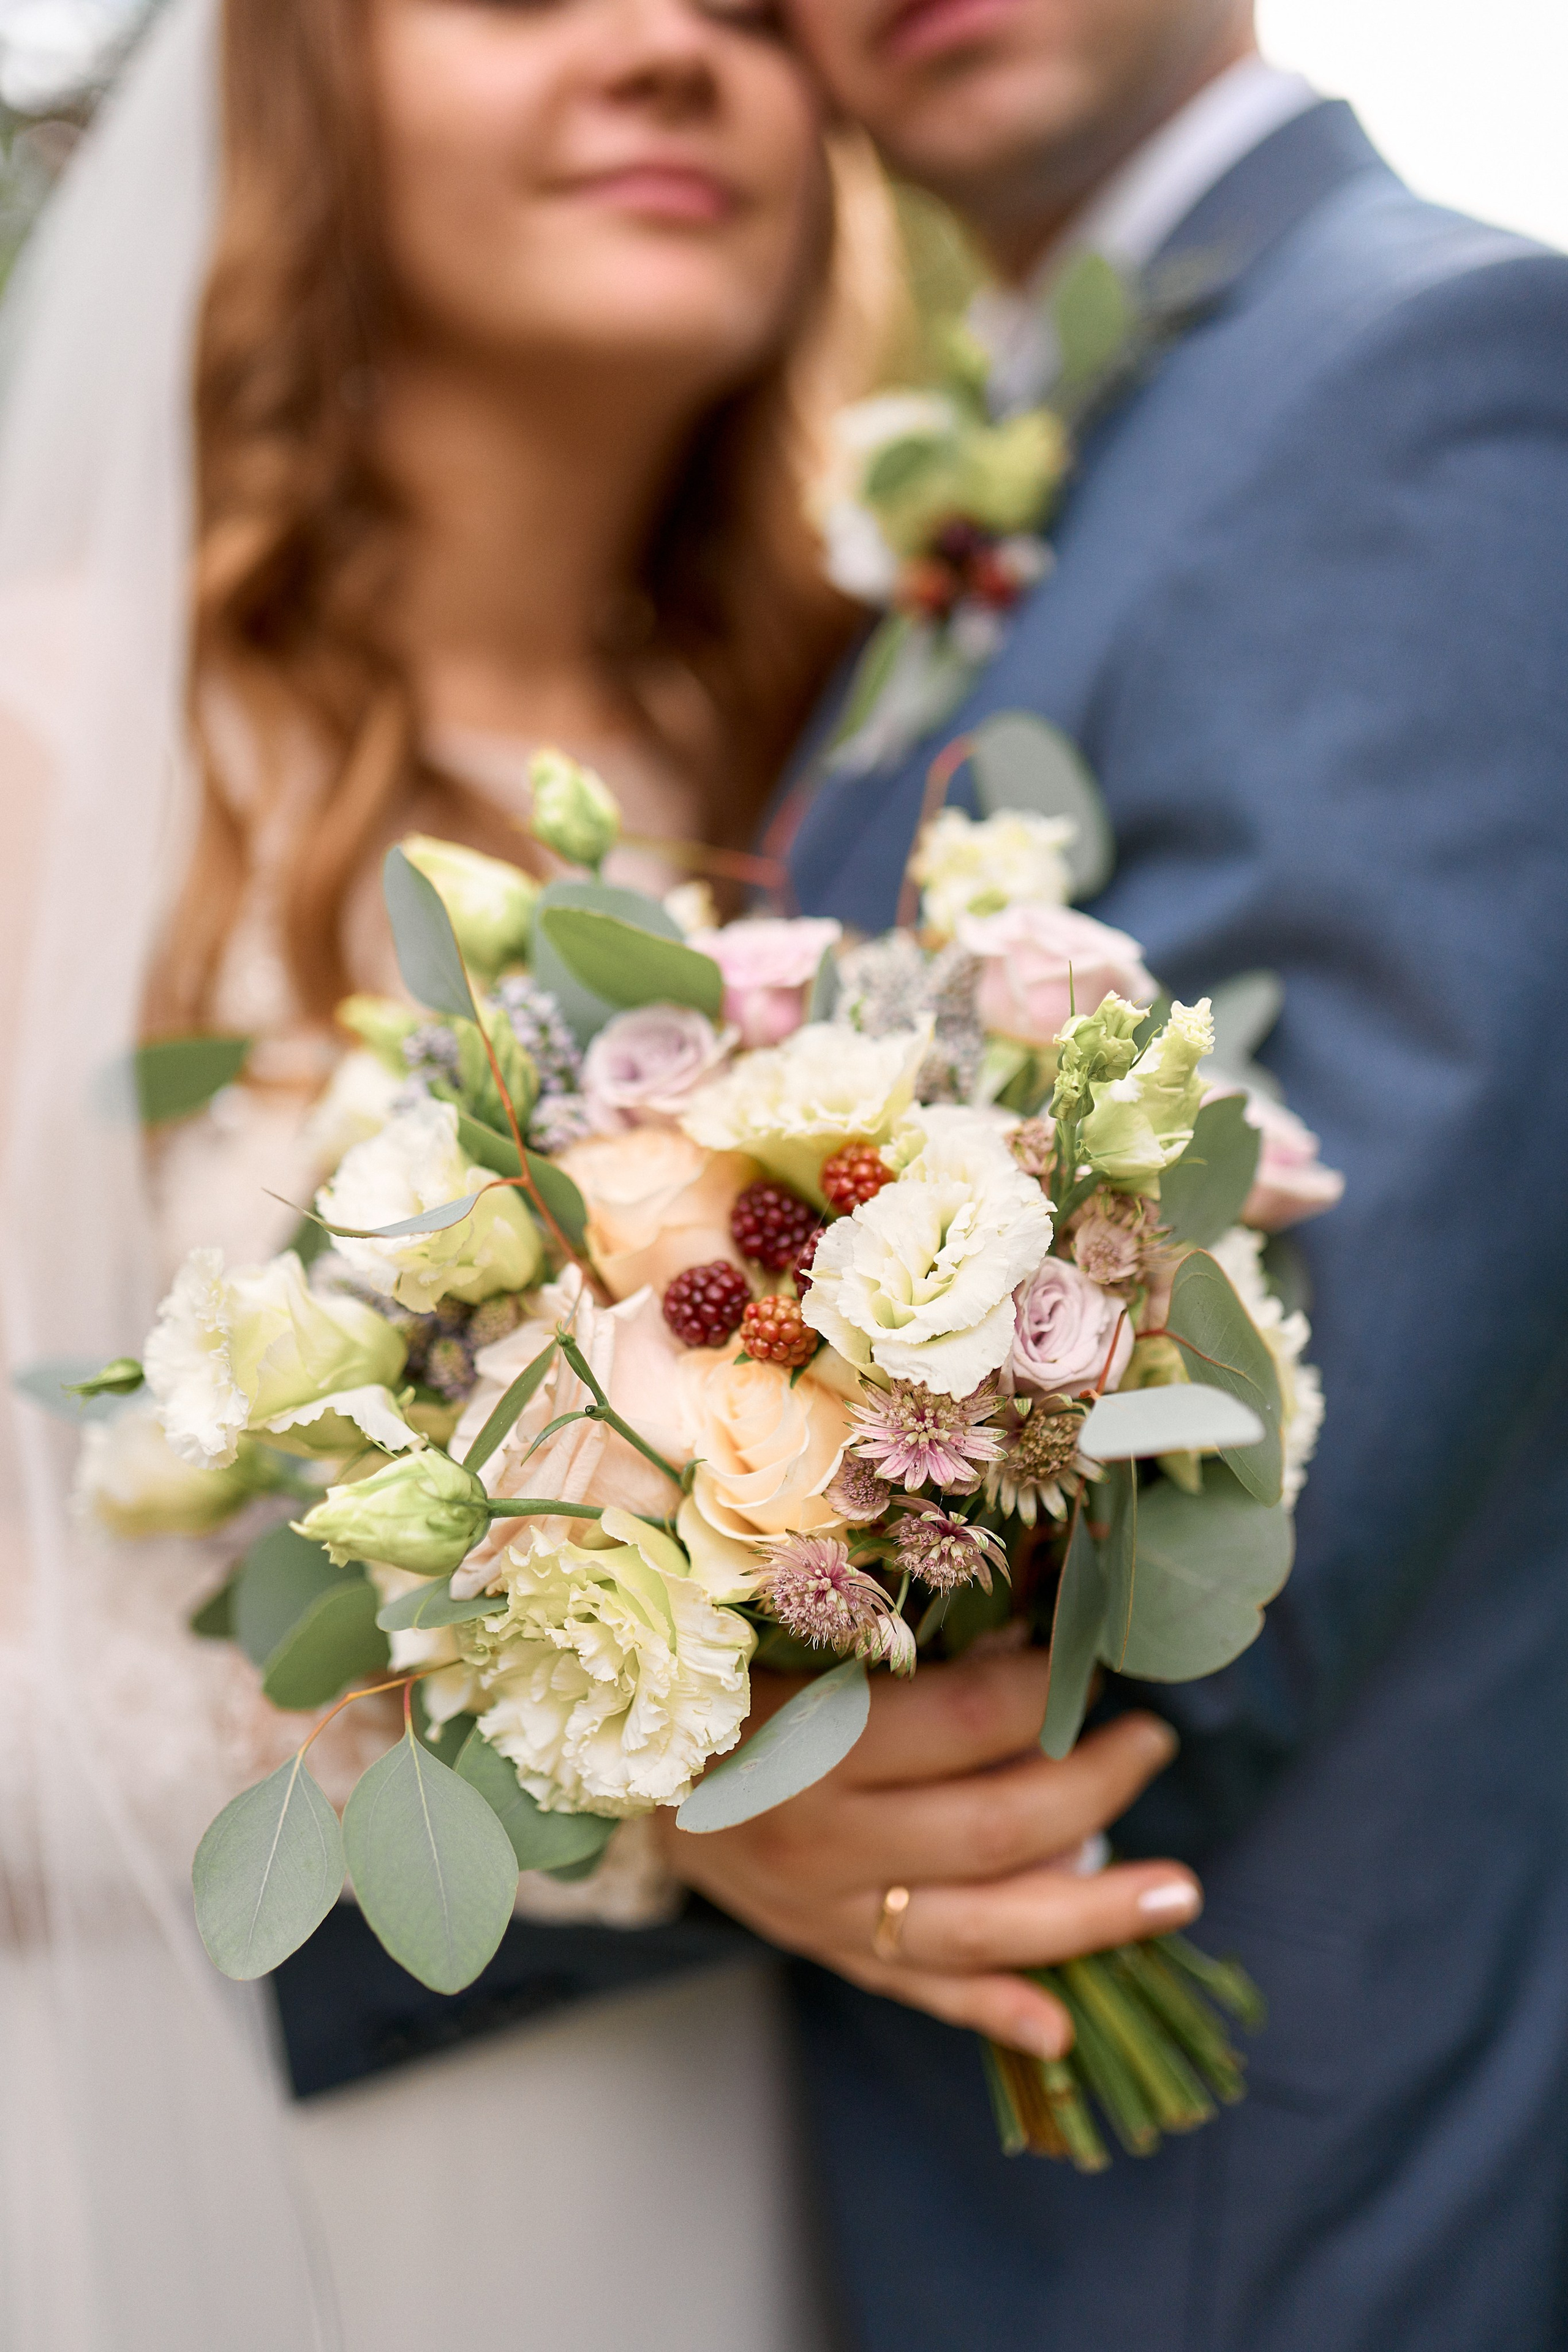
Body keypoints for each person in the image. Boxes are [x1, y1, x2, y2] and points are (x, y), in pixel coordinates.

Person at [0, 1, 1199, 2342]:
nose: (671, 48)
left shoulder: (841, 770)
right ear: (290, 87)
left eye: (755, 12)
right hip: (249, 2186)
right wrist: (641, 1782)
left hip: (778, 2169)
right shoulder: (46, 750)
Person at [661, 2, 1568, 2346]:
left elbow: (1300, 1441)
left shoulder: (1422, 360)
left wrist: (687, 1763)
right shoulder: (1037, 449)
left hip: (1235, 2169)